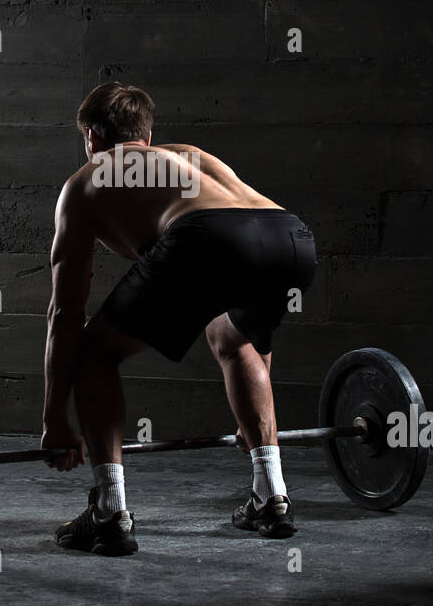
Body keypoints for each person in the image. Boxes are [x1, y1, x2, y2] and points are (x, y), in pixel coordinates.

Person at [41, 82, 317, 555]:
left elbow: (65, 312)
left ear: (91, 134)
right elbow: (253, 307)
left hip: (207, 238)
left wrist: (55, 420)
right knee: (237, 341)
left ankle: (108, 512)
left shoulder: (87, 180)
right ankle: (272, 495)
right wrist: (256, 430)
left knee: (94, 353)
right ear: (146, 136)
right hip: (290, 236)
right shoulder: (191, 156)